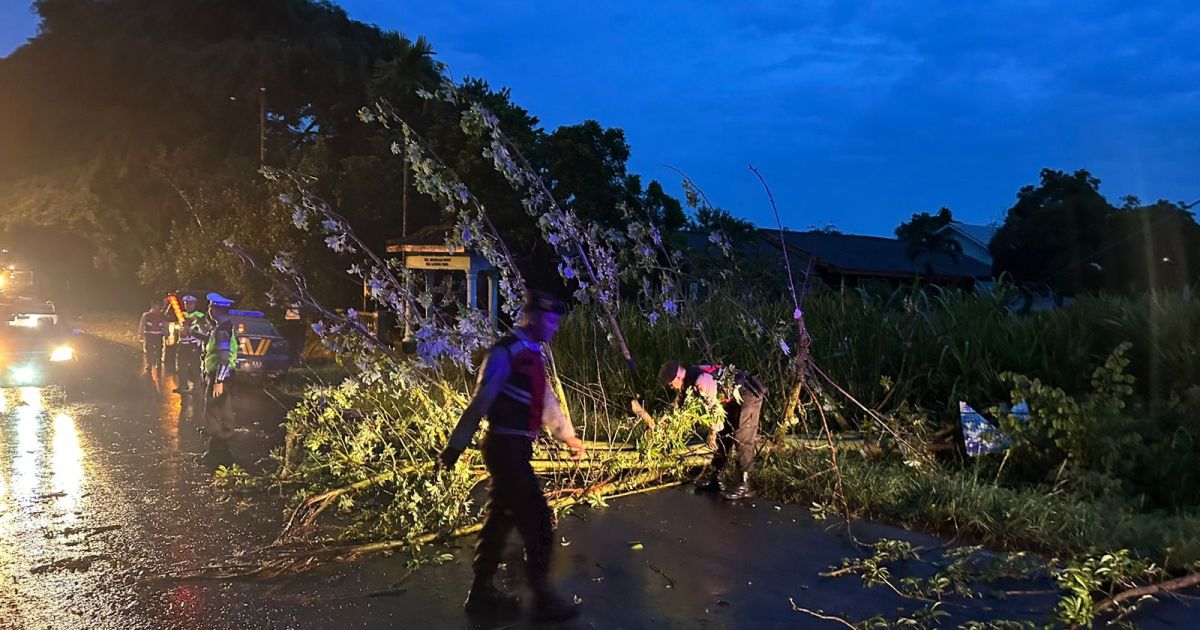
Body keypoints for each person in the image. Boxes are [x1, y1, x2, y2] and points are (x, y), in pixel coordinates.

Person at [438, 290, 585, 623]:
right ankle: (542, 597)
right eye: (550, 320)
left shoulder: (532, 354)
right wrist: (455, 447)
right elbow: (480, 402)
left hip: (516, 447)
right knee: (539, 521)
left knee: (500, 520)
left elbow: (546, 403)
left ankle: (480, 594)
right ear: (530, 316)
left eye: (556, 321)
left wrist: (569, 436)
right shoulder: (506, 352)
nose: (554, 327)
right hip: (504, 448)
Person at [658, 361, 766, 500]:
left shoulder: (701, 380)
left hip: (748, 394)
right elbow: (678, 404)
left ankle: (746, 483)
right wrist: (665, 422)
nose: (671, 387)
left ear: (678, 377)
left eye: (671, 384)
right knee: (724, 435)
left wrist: (712, 433)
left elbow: (714, 410)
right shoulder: (687, 381)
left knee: (742, 436)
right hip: (732, 398)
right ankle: (716, 476)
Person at [201, 292, 238, 465]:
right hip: (224, 375)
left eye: (210, 307)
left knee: (214, 413)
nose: (208, 311)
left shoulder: (222, 330)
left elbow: (224, 357)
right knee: (223, 412)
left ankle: (215, 456)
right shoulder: (225, 327)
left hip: (220, 375)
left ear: (215, 310)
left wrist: (218, 381)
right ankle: (223, 455)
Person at [173, 295, 208, 395]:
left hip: (193, 343)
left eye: (190, 304)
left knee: (194, 366)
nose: (188, 306)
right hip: (182, 343)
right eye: (186, 304)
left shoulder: (199, 315)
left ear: (194, 304)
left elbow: (203, 329)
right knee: (181, 365)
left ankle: (197, 386)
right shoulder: (181, 315)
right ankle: (183, 385)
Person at [138, 300, 167, 375]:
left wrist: (166, 333)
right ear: (152, 306)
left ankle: (158, 363)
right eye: (155, 306)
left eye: (158, 306)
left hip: (158, 335)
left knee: (159, 349)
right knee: (149, 350)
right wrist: (141, 334)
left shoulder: (162, 316)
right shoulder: (146, 315)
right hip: (149, 335)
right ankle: (149, 364)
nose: (157, 308)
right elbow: (142, 324)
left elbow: (164, 325)